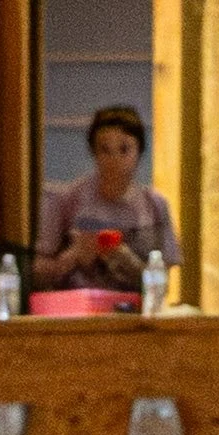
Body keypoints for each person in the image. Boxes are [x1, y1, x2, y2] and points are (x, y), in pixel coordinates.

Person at [33, 105, 181, 294]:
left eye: (124, 149)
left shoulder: (155, 205)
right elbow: (36, 274)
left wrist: (125, 260)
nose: (114, 159)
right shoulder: (66, 200)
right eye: (104, 149)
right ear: (94, 152)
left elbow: (163, 284)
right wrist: (73, 256)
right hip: (75, 312)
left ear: (139, 151)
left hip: (135, 315)